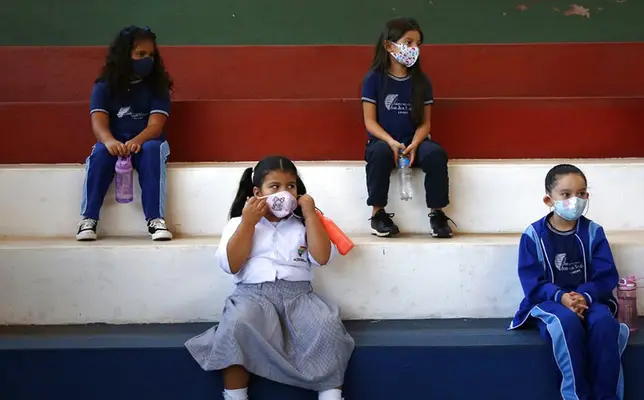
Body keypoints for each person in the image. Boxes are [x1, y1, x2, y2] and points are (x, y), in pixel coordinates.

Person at [185, 156, 354, 400]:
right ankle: (236, 396)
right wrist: (248, 222)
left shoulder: (302, 224)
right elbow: (232, 265)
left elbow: (322, 257)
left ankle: (330, 396)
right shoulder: (238, 223)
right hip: (251, 296)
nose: (284, 193)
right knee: (236, 326)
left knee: (327, 327)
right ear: (258, 192)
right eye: (274, 187)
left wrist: (311, 216)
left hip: (299, 296)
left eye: (291, 186)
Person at [508, 164, 629, 400]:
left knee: (604, 323)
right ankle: (575, 396)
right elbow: (532, 282)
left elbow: (605, 275)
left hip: (589, 300)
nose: (575, 199)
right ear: (548, 200)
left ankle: (606, 396)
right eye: (566, 194)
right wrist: (561, 297)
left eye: (581, 193)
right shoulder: (533, 235)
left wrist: (583, 296)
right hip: (550, 302)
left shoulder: (594, 232)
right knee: (566, 323)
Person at [77, 25, 174, 241]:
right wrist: (110, 141)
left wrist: (137, 140)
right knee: (100, 152)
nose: (146, 59)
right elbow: (99, 123)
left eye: (150, 55)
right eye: (140, 54)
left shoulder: (158, 87)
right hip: (114, 142)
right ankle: (88, 219)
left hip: (147, 141)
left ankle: (155, 220)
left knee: (151, 150)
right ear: (125, 55)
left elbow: (155, 126)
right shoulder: (104, 86)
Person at [361, 17, 454, 238]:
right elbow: (370, 121)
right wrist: (391, 142)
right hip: (384, 142)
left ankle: (437, 214)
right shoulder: (373, 79)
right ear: (389, 45)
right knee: (380, 154)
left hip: (415, 143)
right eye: (408, 42)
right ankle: (378, 214)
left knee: (436, 154)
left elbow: (425, 123)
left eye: (417, 44)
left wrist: (414, 143)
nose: (414, 49)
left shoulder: (422, 82)